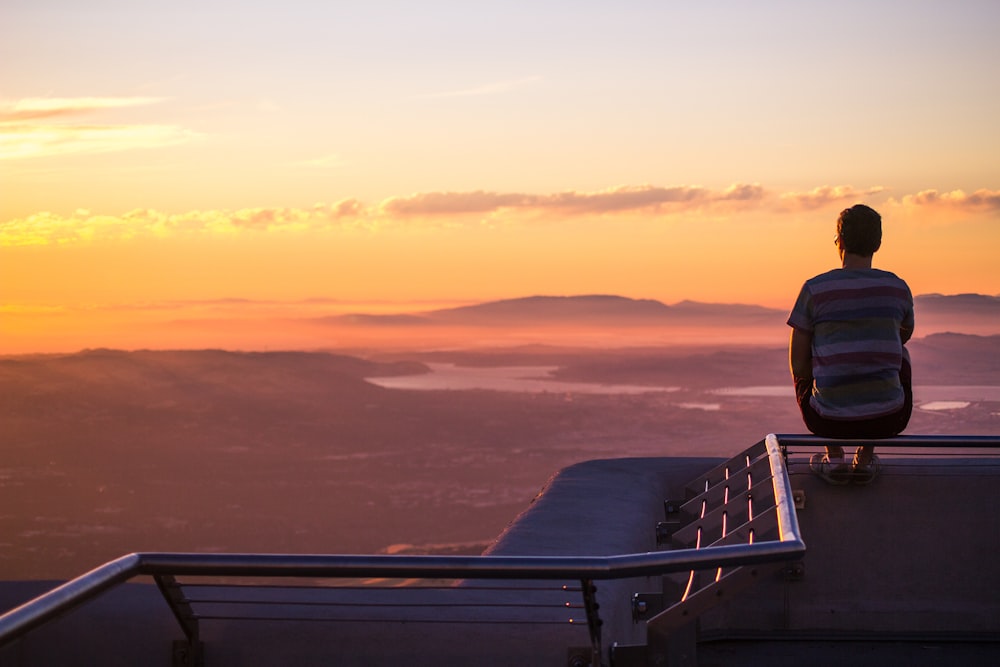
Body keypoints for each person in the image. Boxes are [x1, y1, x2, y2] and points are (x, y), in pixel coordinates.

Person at [787, 204, 914, 484]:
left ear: (840, 241)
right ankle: (865, 459)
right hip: (889, 418)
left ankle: (833, 458)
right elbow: (904, 336)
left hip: (827, 420)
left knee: (804, 362)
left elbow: (797, 363)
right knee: (901, 355)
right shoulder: (898, 287)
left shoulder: (814, 289)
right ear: (878, 244)